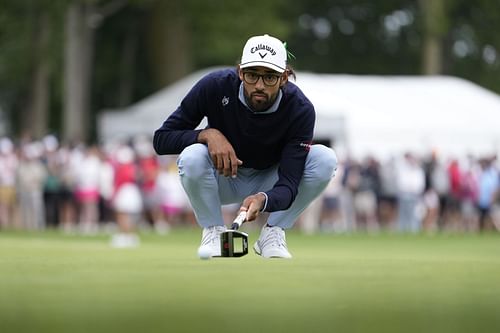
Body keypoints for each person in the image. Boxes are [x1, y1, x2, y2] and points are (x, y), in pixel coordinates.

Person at [153, 34, 337, 259]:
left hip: (272, 180)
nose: (259, 85)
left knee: (325, 159)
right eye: (251, 75)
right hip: (221, 177)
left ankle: (273, 233)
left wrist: (264, 198)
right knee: (192, 155)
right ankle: (214, 232)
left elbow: (289, 184)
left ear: (284, 78)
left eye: (269, 77)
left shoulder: (300, 109)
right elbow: (162, 139)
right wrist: (207, 134)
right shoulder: (214, 86)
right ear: (240, 72)